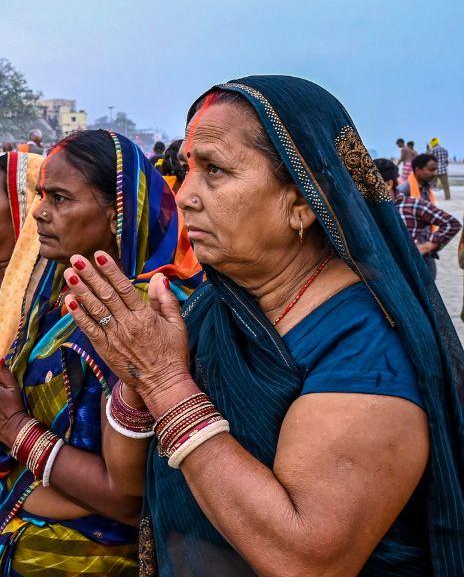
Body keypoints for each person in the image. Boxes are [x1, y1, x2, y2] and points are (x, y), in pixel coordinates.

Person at [65, 77, 464, 574]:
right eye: (186, 169)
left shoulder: (368, 345)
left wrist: (166, 383)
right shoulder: (213, 303)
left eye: (214, 170)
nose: (185, 195)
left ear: (302, 202)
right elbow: (127, 483)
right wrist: (137, 376)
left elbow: (306, 559)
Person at [0, 134, 206, 574]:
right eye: (41, 195)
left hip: (90, 560)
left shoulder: (138, 316)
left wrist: (11, 427)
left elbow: (124, 499)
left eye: (60, 199)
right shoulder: (62, 297)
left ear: (117, 213)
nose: (40, 211)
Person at [379, 158, 462, 280]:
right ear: (418, 170)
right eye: (431, 169)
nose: (435, 172)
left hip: (419, 263)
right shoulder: (369, 209)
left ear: (388, 184)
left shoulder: (413, 202)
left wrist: (427, 246)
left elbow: (451, 223)